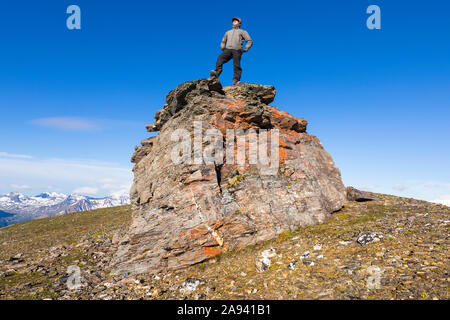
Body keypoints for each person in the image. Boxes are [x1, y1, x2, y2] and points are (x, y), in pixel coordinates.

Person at [210, 17, 253, 85]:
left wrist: (245, 49)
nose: (234, 22)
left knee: (236, 65)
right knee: (219, 59)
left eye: (236, 21)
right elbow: (223, 41)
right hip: (227, 50)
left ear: (239, 23)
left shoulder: (242, 31)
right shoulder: (228, 32)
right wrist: (223, 48)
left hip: (237, 50)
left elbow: (249, 41)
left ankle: (236, 80)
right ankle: (216, 73)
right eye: (233, 21)